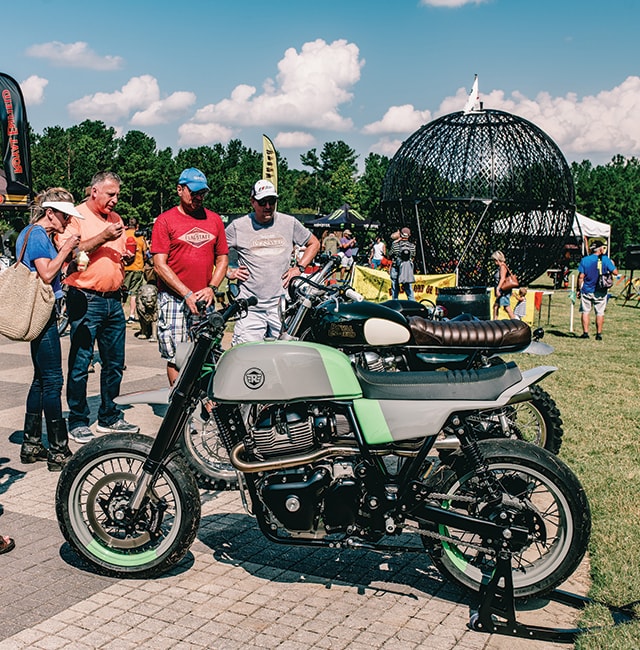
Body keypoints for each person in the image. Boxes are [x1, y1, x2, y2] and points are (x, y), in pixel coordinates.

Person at [57, 171, 138, 444]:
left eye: (117, 195)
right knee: (80, 363)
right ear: (94, 191)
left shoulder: (116, 219)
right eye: (110, 194)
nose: (115, 200)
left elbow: (113, 252)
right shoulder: (76, 216)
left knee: (114, 363)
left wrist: (125, 257)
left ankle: (109, 415)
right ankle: (78, 419)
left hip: (114, 300)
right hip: (85, 298)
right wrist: (103, 237)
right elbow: (70, 252)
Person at [16, 188, 82, 470]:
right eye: (64, 216)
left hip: (39, 313)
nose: (67, 222)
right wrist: (66, 249)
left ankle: (31, 444)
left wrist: (66, 258)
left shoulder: (30, 234)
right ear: (50, 212)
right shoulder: (39, 235)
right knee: (53, 380)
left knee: (41, 379)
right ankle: (58, 450)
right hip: (43, 316)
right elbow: (45, 273)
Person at [151, 168, 229, 385]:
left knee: (208, 354)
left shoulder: (213, 220)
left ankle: (208, 406)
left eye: (202, 193)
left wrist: (212, 287)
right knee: (176, 356)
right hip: (174, 298)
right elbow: (159, 265)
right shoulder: (165, 220)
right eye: (193, 192)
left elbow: (222, 259)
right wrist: (185, 293)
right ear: (179, 189)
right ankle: (179, 411)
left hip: (204, 298)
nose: (198, 197)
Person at [225, 179, 320, 344]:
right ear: (252, 202)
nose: (268, 206)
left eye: (272, 201)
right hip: (250, 309)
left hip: (281, 308)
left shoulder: (289, 223)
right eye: (262, 202)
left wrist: (299, 268)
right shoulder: (238, 226)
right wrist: (228, 272)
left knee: (283, 357)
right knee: (247, 357)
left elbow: (314, 243)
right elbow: (216, 252)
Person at [577, 240, 618, 340]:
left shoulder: (585, 260)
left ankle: (585, 333)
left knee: (585, 311)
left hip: (587, 289)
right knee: (600, 312)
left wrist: (578, 289)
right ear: (600, 249)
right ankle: (598, 334)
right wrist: (612, 264)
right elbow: (616, 272)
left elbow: (581, 276)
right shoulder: (605, 259)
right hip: (601, 290)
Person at [123, 217, 148, 322]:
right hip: (137, 268)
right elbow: (145, 253)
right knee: (133, 293)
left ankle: (119, 314)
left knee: (122, 292)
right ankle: (132, 316)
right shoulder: (140, 237)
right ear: (137, 226)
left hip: (123, 267)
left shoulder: (123, 235)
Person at [390, 227, 416, 300]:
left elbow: (390, 254)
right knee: (408, 288)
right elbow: (413, 256)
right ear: (409, 235)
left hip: (396, 267)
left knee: (395, 287)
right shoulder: (412, 246)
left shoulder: (395, 245)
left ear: (401, 234)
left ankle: (395, 303)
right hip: (407, 269)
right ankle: (412, 303)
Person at [491, 250, 515, 319]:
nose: (494, 262)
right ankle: (494, 322)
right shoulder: (500, 267)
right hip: (501, 290)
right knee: (495, 306)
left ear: (497, 259)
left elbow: (502, 279)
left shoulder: (502, 267)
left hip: (503, 291)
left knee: (506, 307)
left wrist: (498, 289)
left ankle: (515, 322)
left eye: (494, 260)